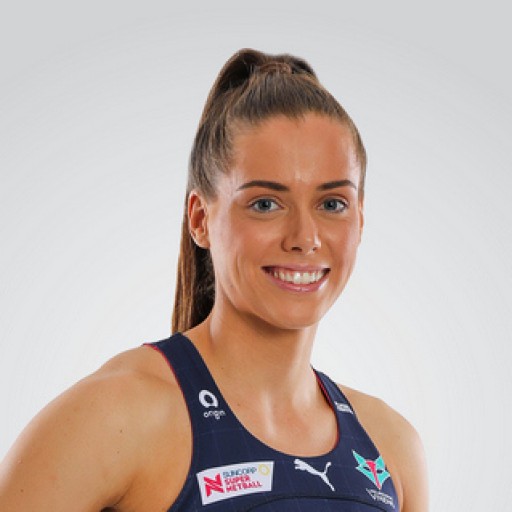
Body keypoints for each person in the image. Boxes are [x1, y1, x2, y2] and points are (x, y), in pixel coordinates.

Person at [0, 48, 428, 511]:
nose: (305, 238)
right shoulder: (117, 417)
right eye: (265, 203)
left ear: (360, 221)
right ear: (201, 219)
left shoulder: (390, 445)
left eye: (332, 204)